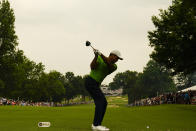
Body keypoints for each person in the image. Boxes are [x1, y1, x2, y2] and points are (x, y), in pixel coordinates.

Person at [85, 49, 123, 131]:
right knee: (100, 101)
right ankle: (96, 125)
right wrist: (96, 56)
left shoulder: (114, 67)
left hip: (95, 84)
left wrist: (100, 54)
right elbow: (92, 67)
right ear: (112, 55)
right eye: (116, 58)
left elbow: (108, 63)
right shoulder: (99, 58)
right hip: (90, 81)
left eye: (118, 59)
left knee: (104, 103)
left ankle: (96, 124)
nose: (117, 60)